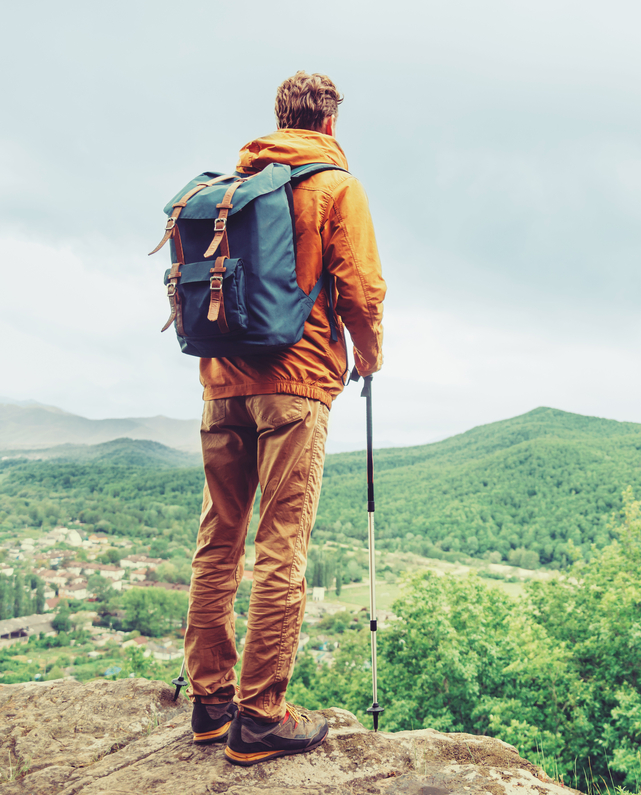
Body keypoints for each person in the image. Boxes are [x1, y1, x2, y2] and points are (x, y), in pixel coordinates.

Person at [182, 71, 386, 766]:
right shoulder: (336, 185)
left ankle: (210, 703)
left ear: (280, 118)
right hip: (294, 385)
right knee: (282, 547)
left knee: (218, 541)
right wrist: (369, 357)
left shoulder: (238, 186)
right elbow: (359, 285)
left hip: (221, 382)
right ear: (329, 124)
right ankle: (261, 713)